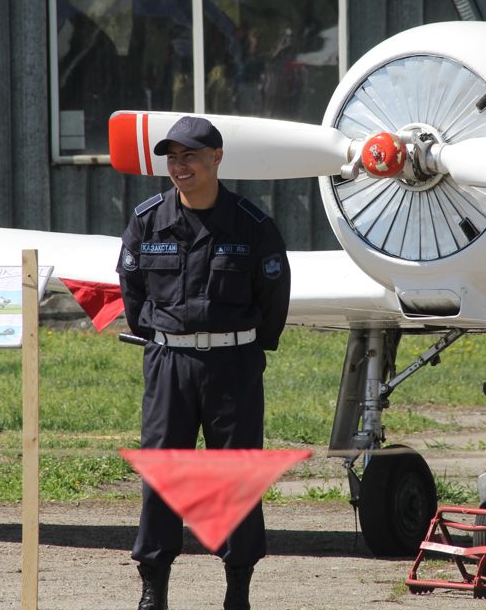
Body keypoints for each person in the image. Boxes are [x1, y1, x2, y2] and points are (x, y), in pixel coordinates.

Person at [117, 115, 291, 610]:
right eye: (172, 157)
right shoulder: (147, 220)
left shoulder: (252, 225)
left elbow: (274, 295)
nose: (179, 165)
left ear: (216, 158)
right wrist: (165, 340)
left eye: (190, 155)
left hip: (233, 365)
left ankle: (238, 589)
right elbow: (134, 295)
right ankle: (154, 587)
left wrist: (246, 347)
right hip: (169, 363)